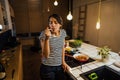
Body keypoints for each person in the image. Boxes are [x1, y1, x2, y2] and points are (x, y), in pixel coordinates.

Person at [39, 14, 70, 80]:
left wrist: (63, 62)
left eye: (56, 22)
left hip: (59, 66)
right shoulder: (43, 34)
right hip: (47, 68)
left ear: (60, 24)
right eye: (50, 22)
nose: (52, 25)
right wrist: (47, 38)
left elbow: (63, 48)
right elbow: (46, 55)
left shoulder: (63, 32)